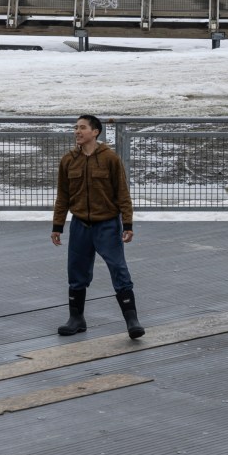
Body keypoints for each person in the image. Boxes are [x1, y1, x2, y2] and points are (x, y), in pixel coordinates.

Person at [51, 114, 144, 339]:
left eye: (82, 128)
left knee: (118, 269)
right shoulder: (68, 160)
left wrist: (127, 223)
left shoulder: (110, 159)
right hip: (80, 226)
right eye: (75, 128)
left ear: (95, 132)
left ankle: (132, 320)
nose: (77, 131)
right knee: (76, 272)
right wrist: (58, 225)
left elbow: (122, 193)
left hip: (107, 225)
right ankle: (76, 319)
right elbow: (63, 196)